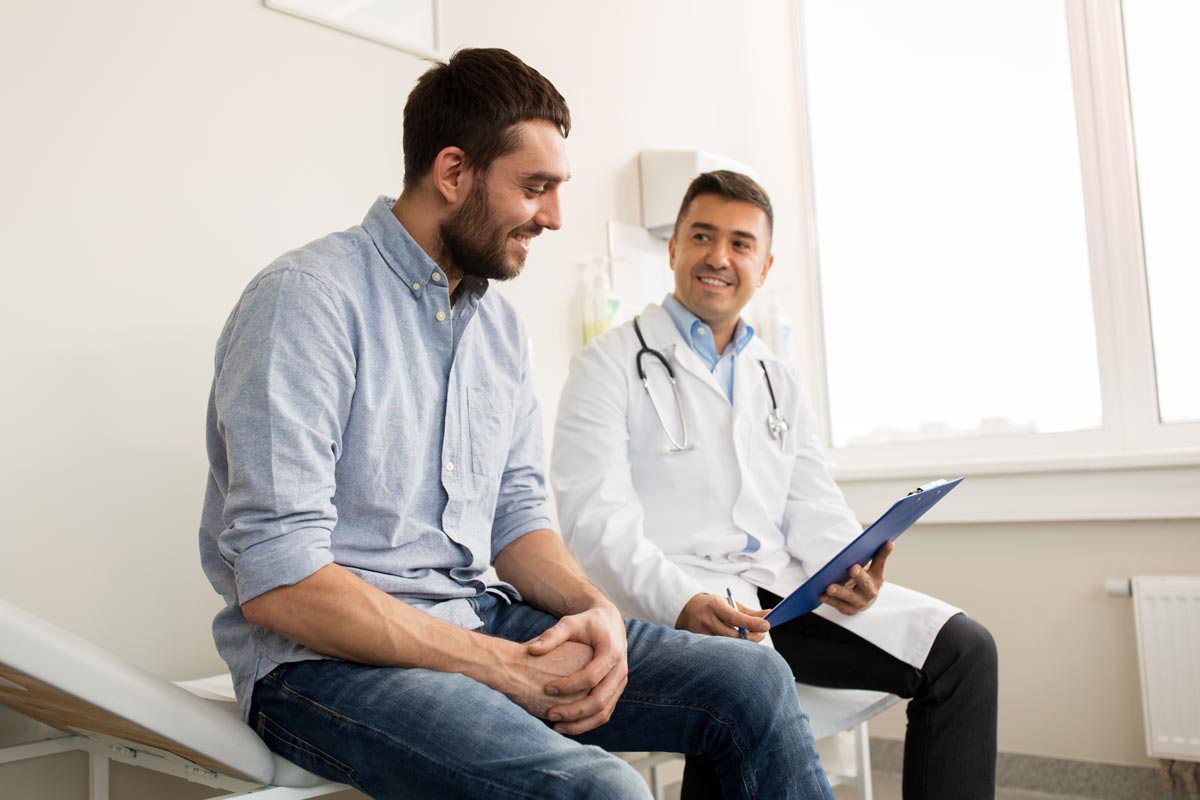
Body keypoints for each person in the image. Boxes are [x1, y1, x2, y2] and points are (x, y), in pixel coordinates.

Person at [198, 51, 834, 800]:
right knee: (604, 790)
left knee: (753, 678)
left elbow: (517, 521)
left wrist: (596, 611)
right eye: (535, 188)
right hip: (321, 664)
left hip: (476, 616)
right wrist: (496, 665)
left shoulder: (496, 329)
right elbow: (282, 584)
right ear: (454, 172)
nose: (555, 217)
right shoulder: (306, 301)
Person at [551, 170, 999, 800]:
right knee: (740, 686)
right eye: (702, 236)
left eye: (740, 243)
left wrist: (852, 566)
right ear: (674, 249)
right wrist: (680, 601)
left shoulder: (777, 379)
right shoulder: (606, 366)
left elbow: (812, 503)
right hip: (673, 599)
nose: (719, 257)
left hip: (782, 595)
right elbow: (595, 525)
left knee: (963, 651)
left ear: (763, 266)